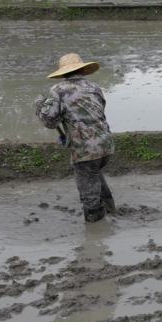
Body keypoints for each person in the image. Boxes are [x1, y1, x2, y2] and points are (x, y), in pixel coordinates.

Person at [34, 53, 115, 223]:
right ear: (83, 70)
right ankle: (109, 207)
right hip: (106, 144)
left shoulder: (58, 90)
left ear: (63, 73)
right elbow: (96, 112)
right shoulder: (94, 87)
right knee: (94, 171)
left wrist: (40, 106)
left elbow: (50, 121)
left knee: (88, 189)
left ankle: (95, 225)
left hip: (85, 149)